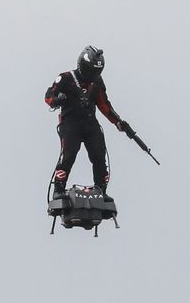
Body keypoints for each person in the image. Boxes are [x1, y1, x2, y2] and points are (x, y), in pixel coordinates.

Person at [44, 46, 136, 198]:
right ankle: (58, 190)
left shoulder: (97, 82)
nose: (92, 75)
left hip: (90, 124)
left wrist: (118, 122)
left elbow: (104, 105)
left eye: (96, 72)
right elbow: (48, 96)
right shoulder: (65, 78)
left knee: (99, 155)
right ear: (82, 66)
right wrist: (56, 100)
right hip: (70, 124)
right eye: (90, 71)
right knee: (69, 155)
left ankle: (101, 190)